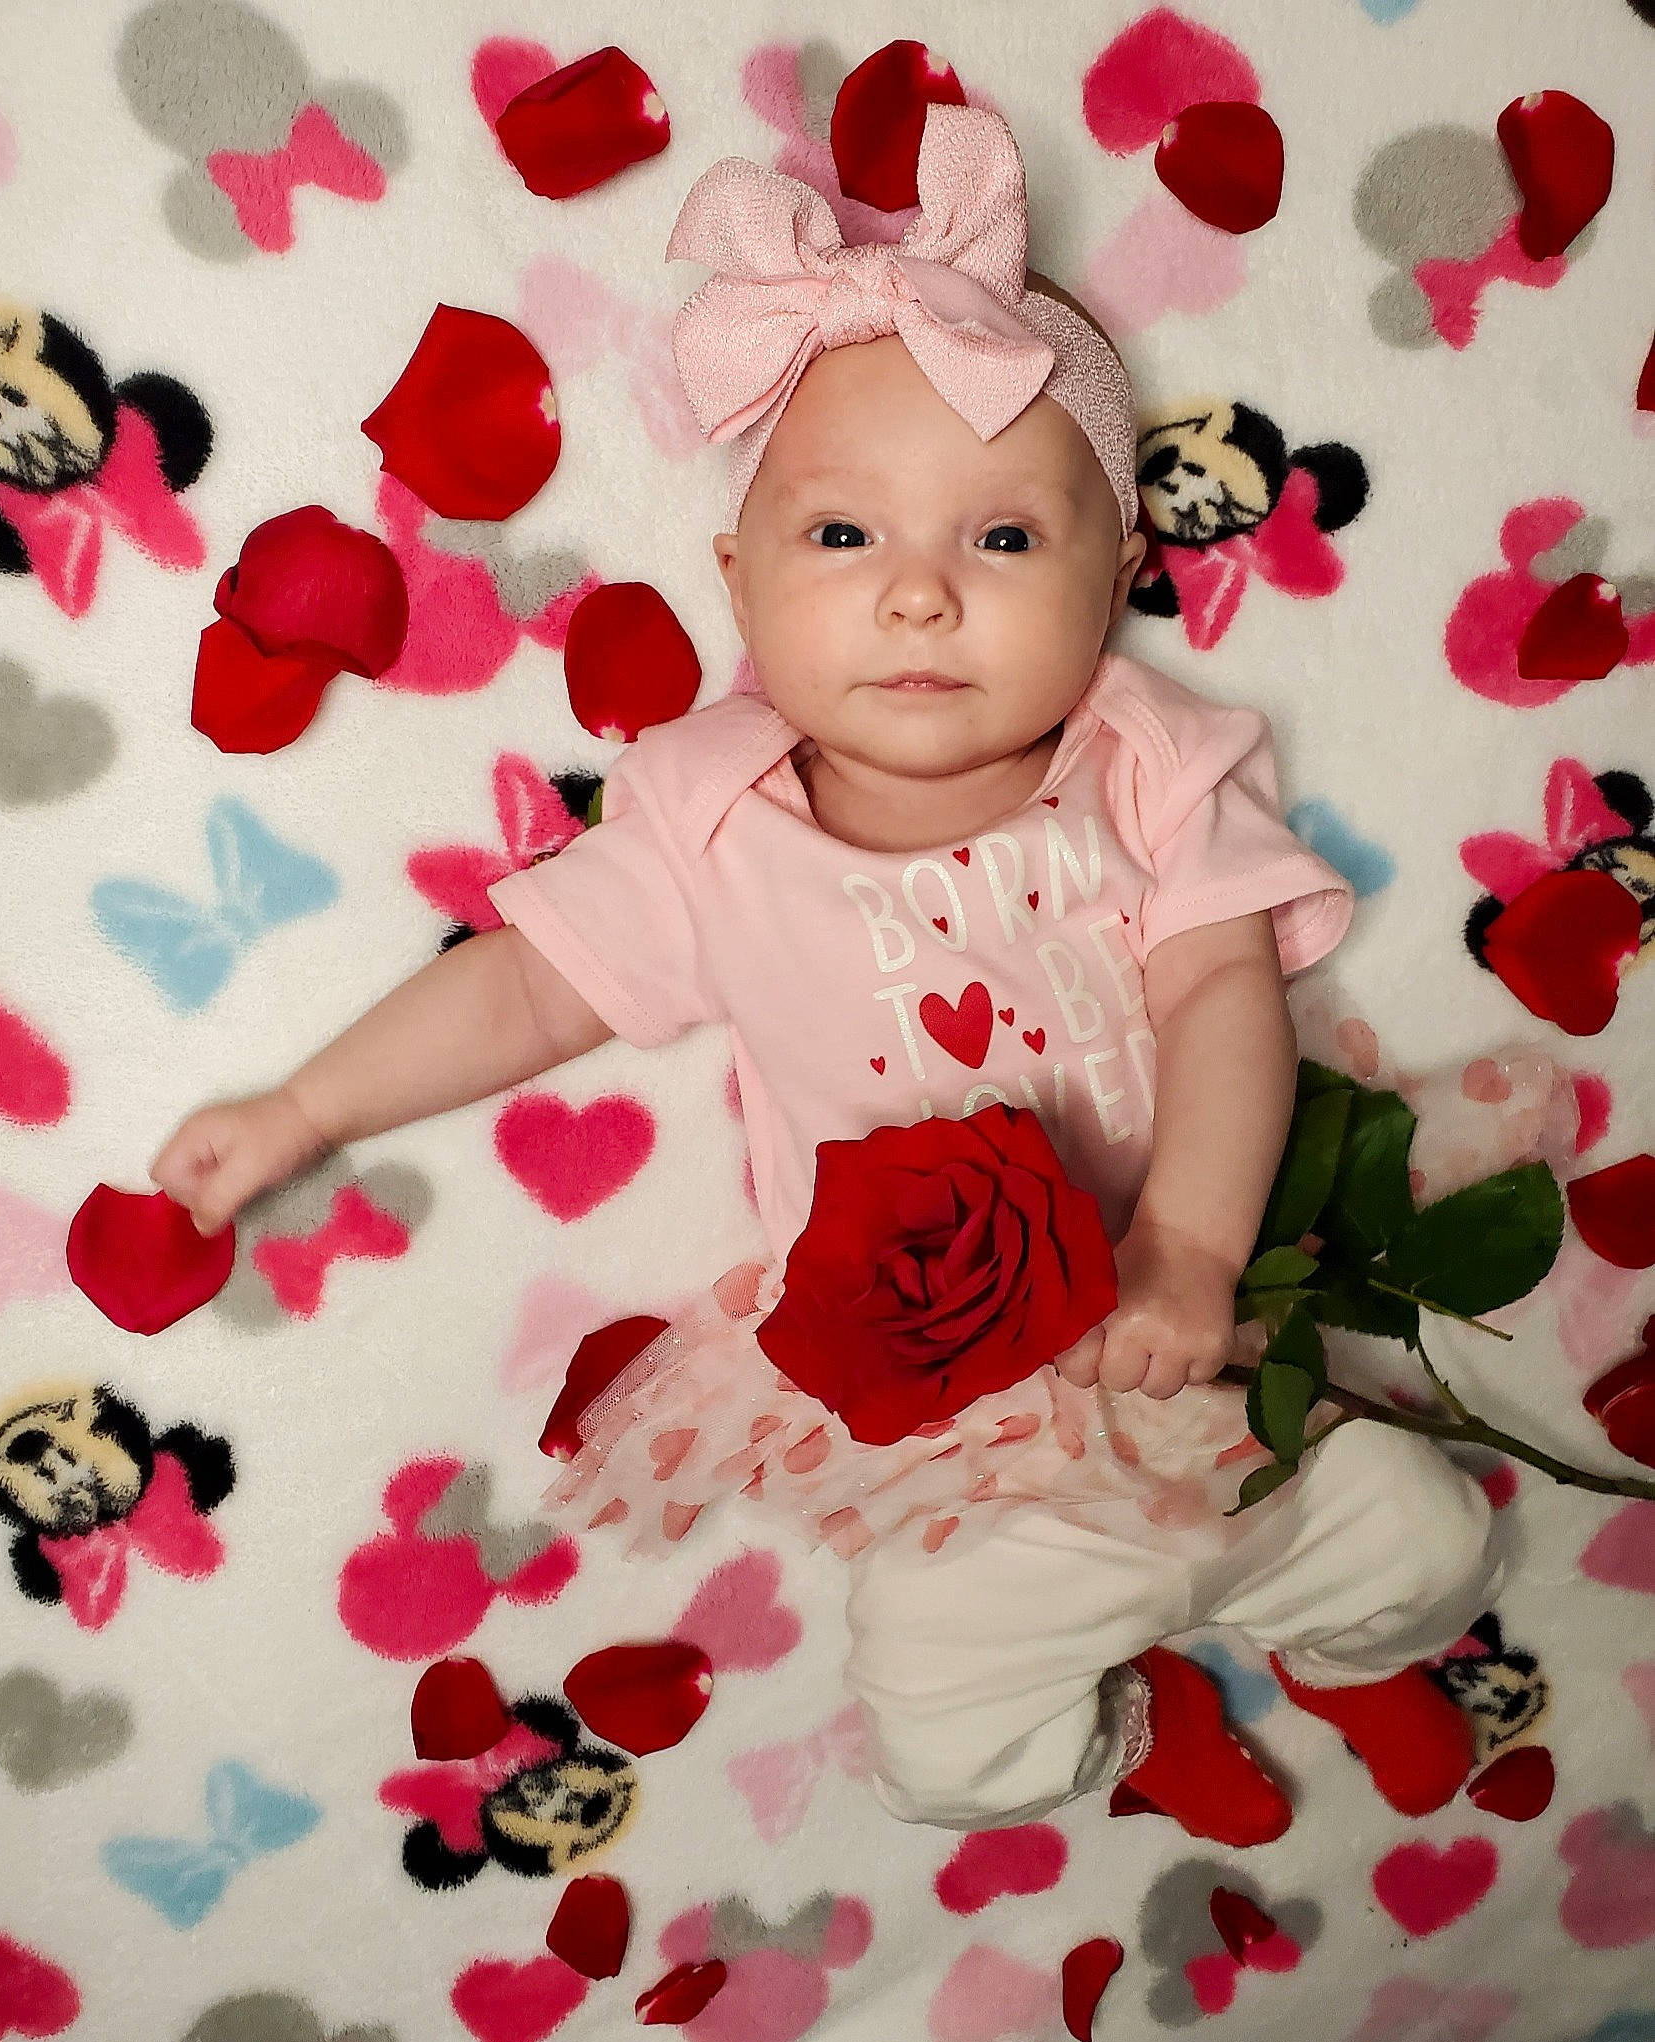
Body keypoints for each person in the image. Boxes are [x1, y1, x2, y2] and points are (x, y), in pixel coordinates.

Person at [150, 105, 1499, 1841]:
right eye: (844, 540)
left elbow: (1222, 1002)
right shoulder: (712, 826)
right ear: (738, 582)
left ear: (1115, 579)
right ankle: (1122, 1721)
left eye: (1005, 542)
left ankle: (1328, 1634)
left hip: (1211, 1341)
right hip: (955, 1426)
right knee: (943, 1732)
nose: (922, 599)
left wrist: (1185, 1247)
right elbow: (528, 987)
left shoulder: (1151, 769)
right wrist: (301, 1107)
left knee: (1424, 1533)